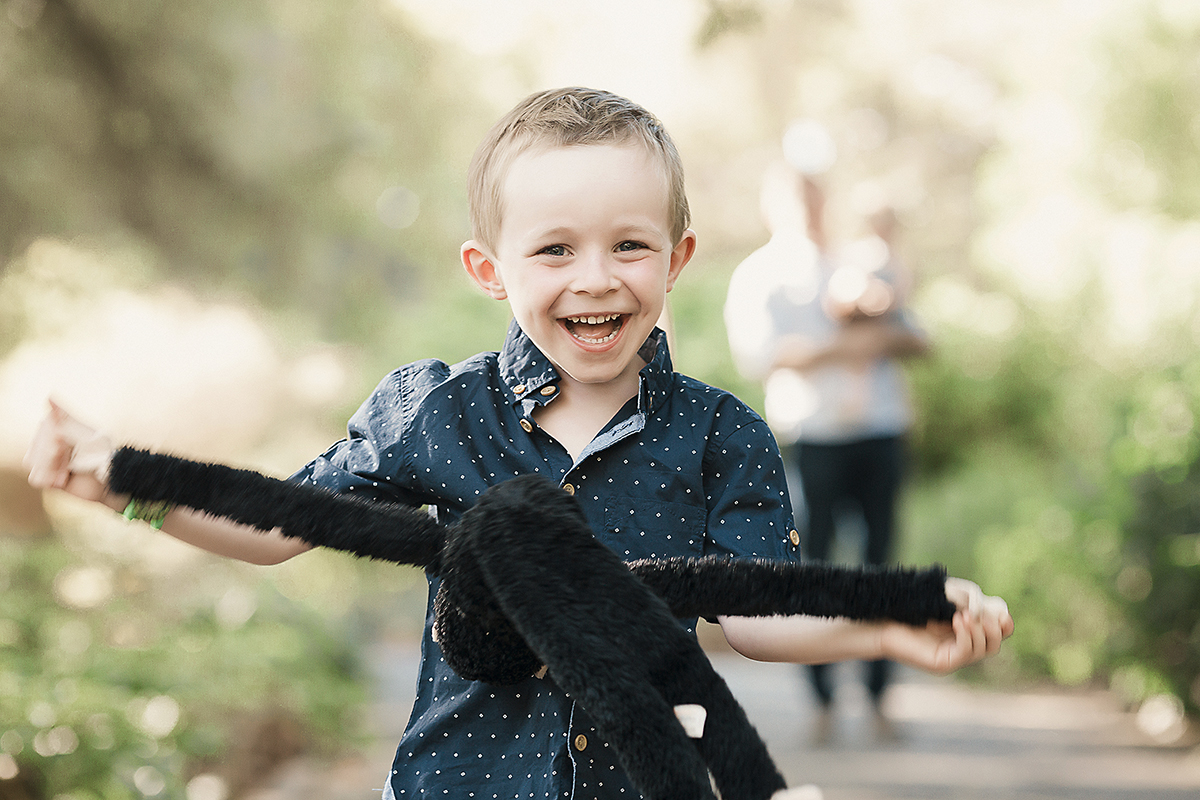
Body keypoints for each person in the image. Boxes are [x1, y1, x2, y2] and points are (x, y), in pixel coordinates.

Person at [27, 88, 1010, 799]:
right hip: (460, 783)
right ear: (489, 268)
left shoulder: (720, 432)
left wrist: (891, 621)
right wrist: (125, 485)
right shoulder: (433, 412)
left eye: (629, 245)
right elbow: (282, 522)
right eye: (553, 248)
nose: (595, 277)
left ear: (678, 259)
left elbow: (757, 613)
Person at [725, 155, 931, 744]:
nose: (811, 208)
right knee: (813, 564)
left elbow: (916, 336)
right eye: (798, 197)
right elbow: (765, 357)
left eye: (817, 195)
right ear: (775, 205)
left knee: (882, 561)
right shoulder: (759, 275)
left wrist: (856, 335)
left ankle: (879, 694)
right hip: (813, 437)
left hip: (882, 430)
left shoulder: (861, 261)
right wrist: (853, 344)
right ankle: (819, 699)